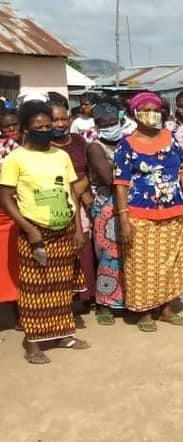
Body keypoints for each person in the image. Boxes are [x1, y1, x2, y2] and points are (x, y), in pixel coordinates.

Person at [0, 100, 89, 364]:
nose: (45, 130)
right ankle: (33, 343)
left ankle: (63, 335)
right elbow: (5, 197)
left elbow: (71, 193)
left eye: (48, 126)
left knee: (62, 286)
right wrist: (28, 228)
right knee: (35, 289)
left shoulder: (60, 156)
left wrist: (77, 229)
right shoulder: (15, 159)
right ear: (26, 129)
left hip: (64, 230)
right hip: (35, 231)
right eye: (39, 127)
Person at [114, 91, 183, 330]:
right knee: (142, 265)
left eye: (155, 110)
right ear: (135, 113)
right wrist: (124, 218)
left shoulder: (171, 140)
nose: (152, 114)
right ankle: (144, 312)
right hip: (140, 213)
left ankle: (166, 308)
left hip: (174, 211)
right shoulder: (126, 145)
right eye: (146, 110)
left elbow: (182, 173)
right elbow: (121, 183)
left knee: (170, 263)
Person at [50, 101, 96, 309]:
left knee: (85, 247)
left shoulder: (78, 141)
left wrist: (84, 189)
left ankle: (88, 296)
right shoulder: (45, 146)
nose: (60, 124)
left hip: (85, 200)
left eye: (63, 119)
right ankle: (64, 299)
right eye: (55, 120)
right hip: (59, 201)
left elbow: (88, 169)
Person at [87, 102, 125, 323]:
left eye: (114, 122)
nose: (111, 126)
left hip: (127, 203)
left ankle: (125, 299)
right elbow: (109, 178)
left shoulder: (126, 143)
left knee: (127, 253)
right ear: (97, 126)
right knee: (108, 255)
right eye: (105, 124)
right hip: (107, 206)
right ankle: (105, 303)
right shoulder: (96, 148)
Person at [0, 108, 21, 314]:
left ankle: (21, 312)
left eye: (15, 125)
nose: (11, 129)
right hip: (5, 213)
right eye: (7, 127)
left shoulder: (32, 146)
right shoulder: (4, 148)